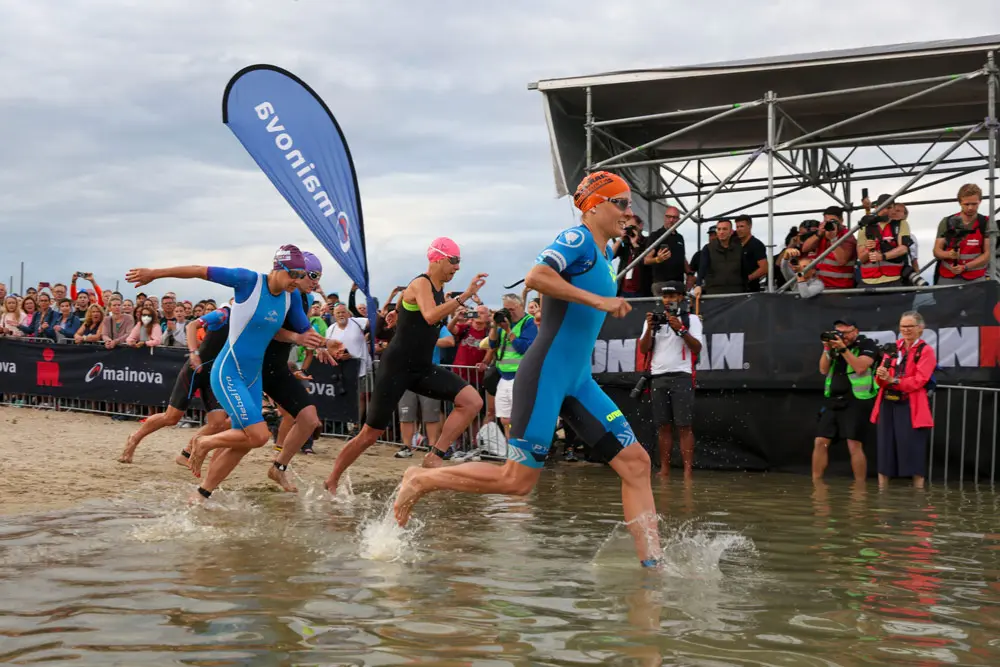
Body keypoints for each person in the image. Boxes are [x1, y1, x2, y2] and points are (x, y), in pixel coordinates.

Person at [393, 171, 662, 568]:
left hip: (579, 380)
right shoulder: (578, 240)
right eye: (620, 202)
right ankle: (421, 478)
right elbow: (536, 277)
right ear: (594, 205)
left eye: (629, 203)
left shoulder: (604, 255)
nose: (629, 211)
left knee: (637, 463)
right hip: (547, 374)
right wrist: (598, 301)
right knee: (517, 482)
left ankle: (653, 568)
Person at [125, 245, 326, 499]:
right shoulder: (248, 280)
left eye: (302, 275)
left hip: (252, 377)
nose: (297, 281)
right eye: (294, 274)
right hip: (228, 371)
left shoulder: (291, 297)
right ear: (278, 268)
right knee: (258, 435)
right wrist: (155, 273)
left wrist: (326, 344)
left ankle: (201, 494)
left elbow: (304, 332)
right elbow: (199, 270)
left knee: (246, 441)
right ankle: (203, 442)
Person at [323, 237, 487, 494]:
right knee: (370, 434)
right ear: (438, 258)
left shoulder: (438, 288)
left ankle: (435, 455)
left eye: (459, 262)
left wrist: (397, 312)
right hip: (397, 367)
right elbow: (431, 315)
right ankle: (332, 479)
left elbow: (405, 303)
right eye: (454, 261)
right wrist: (465, 296)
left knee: (472, 402)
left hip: (422, 368)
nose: (457, 267)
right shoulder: (421, 282)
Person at [118, 302, 233, 464]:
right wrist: (193, 353)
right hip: (194, 370)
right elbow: (191, 325)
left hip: (213, 375)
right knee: (171, 417)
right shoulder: (223, 314)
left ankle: (186, 453)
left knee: (218, 423)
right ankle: (134, 438)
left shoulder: (246, 322)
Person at [264, 251, 327, 492]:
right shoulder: (281, 296)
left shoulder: (306, 300)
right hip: (254, 367)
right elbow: (275, 331)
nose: (315, 281)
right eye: (312, 275)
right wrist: (307, 340)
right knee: (242, 433)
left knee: (309, 419)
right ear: (297, 274)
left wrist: (321, 347)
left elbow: (304, 332)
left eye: (319, 276)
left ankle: (278, 468)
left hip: (278, 369)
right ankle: (198, 448)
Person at [638, 282, 703, 480]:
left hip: (681, 375)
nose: (668, 300)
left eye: (673, 296)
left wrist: (681, 329)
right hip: (658, 377)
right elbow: (643, 349)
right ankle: (664, 469)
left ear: (682, 297)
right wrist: (650, 328)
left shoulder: (691, 319)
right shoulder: (653, 320)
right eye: (665, 297)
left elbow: (697, 348)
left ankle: (687, 473)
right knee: (663, 426)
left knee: (684, 426)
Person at [871, 311, 936, 489]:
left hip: (911, 404)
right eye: (902, 326)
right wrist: (881, 375)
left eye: (910, 326)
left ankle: (918, 492)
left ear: (920, 329)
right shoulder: (893, 347)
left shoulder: (926, 350)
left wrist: (895, 380)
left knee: (913, 448)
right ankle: (882, 490)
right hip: (888, 402)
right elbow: (880, 379)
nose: (906, 330)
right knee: (885, 447)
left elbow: (920, 380)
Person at [812, 318, 878, 483]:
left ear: (856, 331)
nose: (843, 336)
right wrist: (827, 349)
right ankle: (817, 484)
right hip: (833, 400)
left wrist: (843, 349)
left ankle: (859, 487)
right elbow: (823, 369)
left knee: (854, 443)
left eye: (846, 332)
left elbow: (861, 367)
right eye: (839, 332)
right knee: (820, 441)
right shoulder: (834, 346)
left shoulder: (867, 344)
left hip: (856, 399)